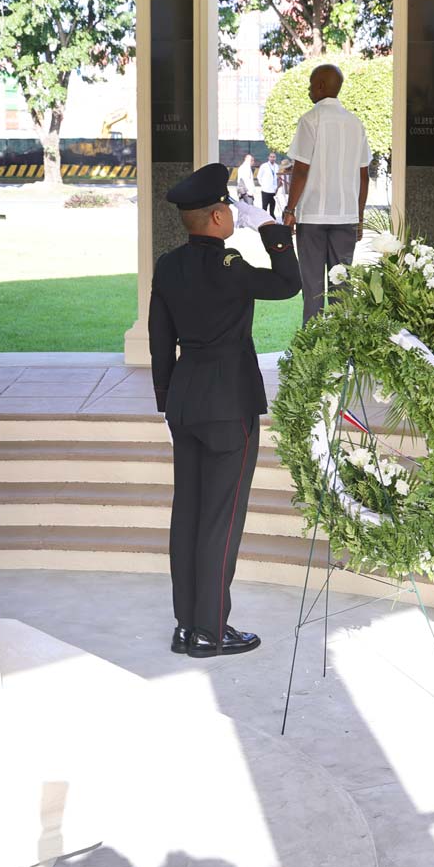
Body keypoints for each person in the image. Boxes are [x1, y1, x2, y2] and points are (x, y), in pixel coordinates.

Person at [148, 161, 301, 655]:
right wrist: (274, 232)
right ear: (215, 219)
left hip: (185, 401)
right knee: (220, 520)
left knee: (188, 515)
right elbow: (288, 283)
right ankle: (211, 630)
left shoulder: (168, 266)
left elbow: (158, 342)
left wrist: (167, 402)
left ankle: (185, 625)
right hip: (228, 404)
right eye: (230, 210)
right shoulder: (230, 266)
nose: (235, 216)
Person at [284, 63, 370, 323]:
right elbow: (363, 175)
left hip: (312, 215)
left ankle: (312, 352)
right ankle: (340, 353)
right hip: (346, 217)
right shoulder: (356, 124)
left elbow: (300, 170)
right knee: (342, 290)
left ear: (321, 86)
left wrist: (290, 209)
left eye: (311, 84)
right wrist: (360, 216)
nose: (309, 90)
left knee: (312, 288)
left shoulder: (310, 120)